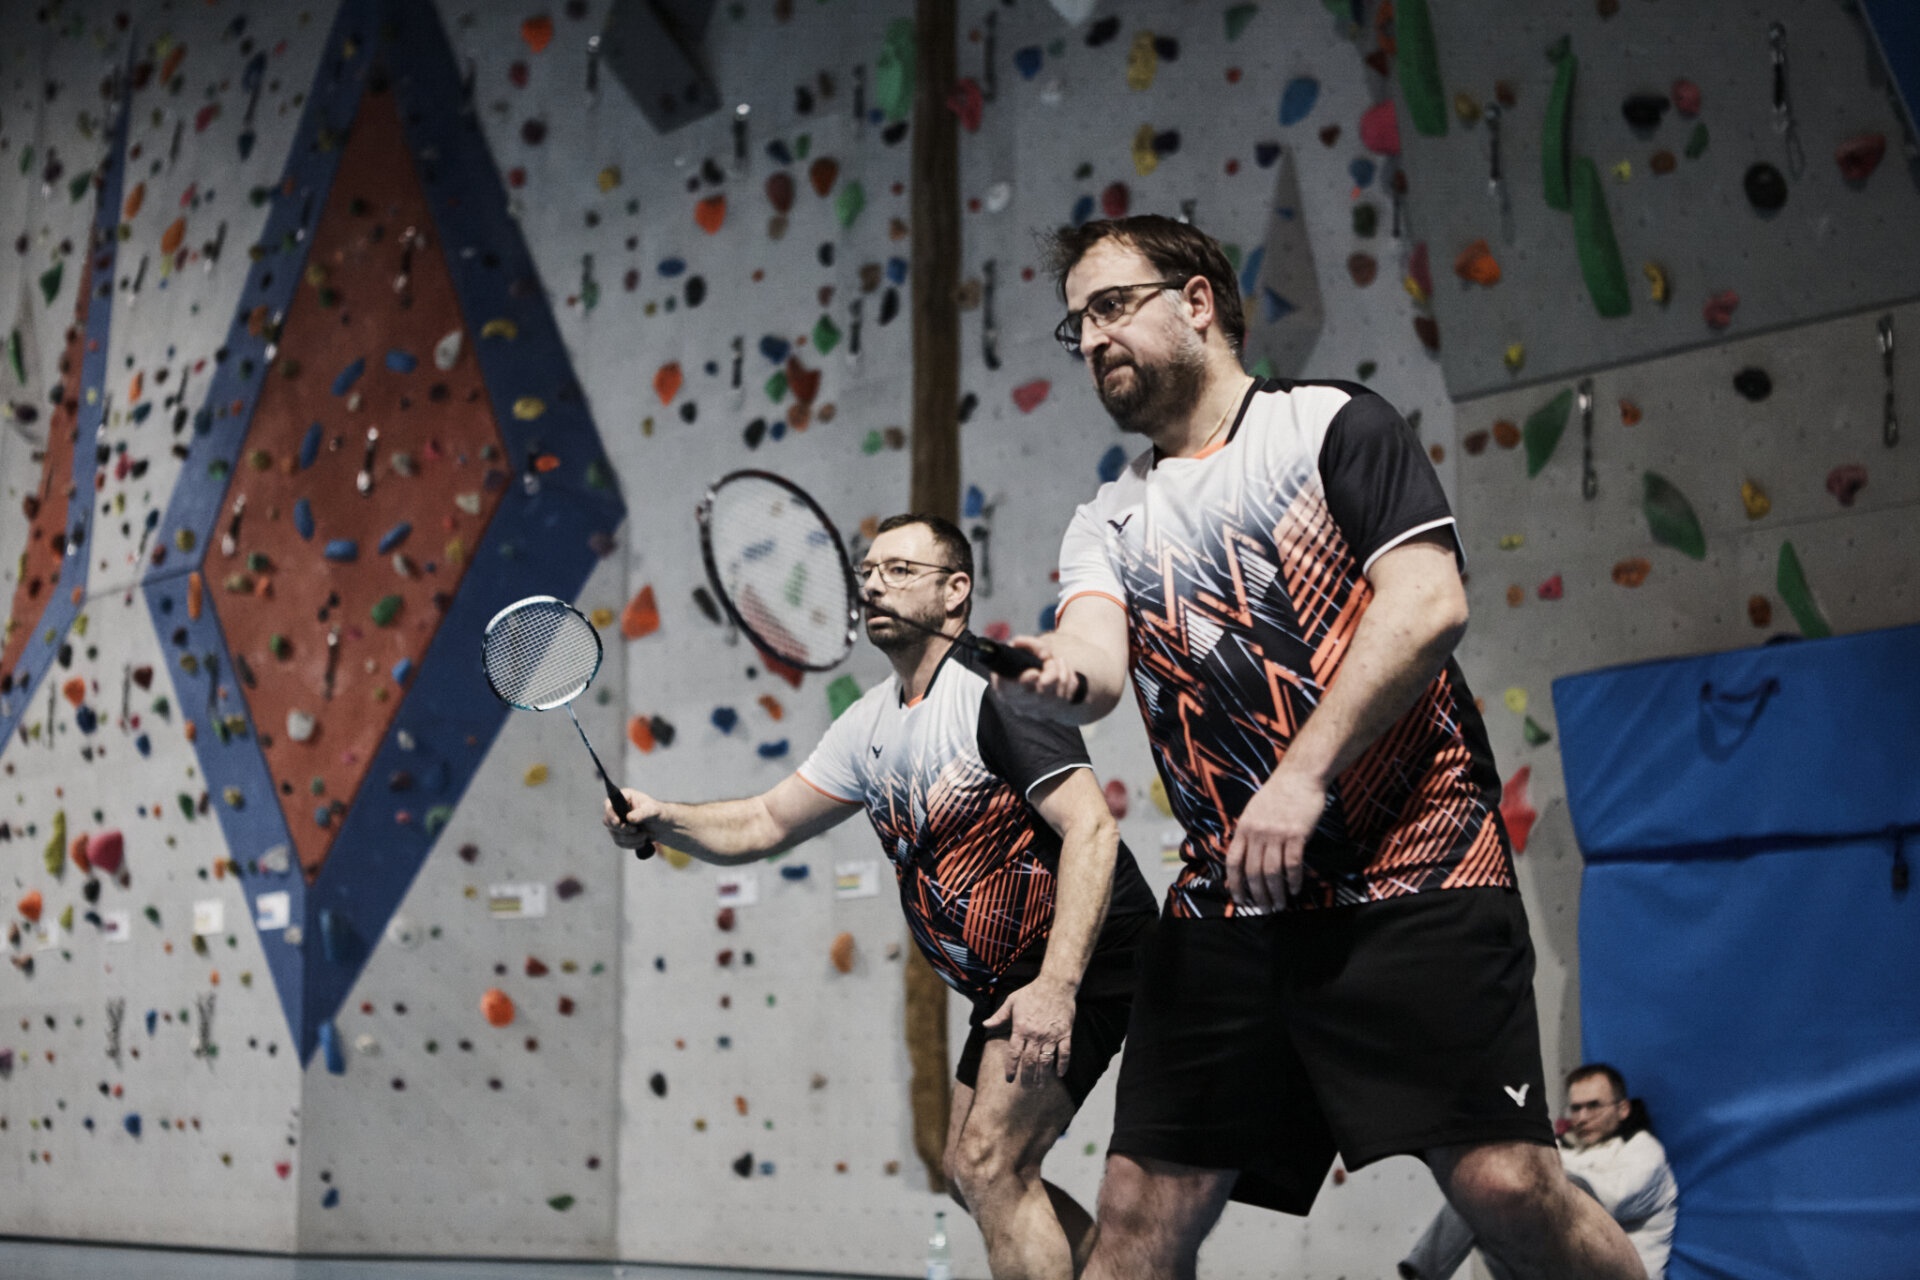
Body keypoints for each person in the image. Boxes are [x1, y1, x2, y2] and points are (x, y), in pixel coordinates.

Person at [993, 213, 1648, 1280]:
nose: (1093, 336)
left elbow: (1428, 603)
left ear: (1196, 301)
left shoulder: (1331, 426)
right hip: (1233, 904)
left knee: (1506, 1187)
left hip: (1417, 867)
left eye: (1111, 305)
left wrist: (1301, 776)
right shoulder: (1107, 520)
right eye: (1078, 324)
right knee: (1137, 1219)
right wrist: (1055, 669)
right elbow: (1097, 660)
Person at [605, 513, 1159, 1280]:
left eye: (900, 570)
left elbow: (1092, 829)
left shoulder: (995, 695)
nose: (873, 585)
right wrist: (663, 817)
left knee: (993, 1164)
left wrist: (1058, 986)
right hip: (1010, 976)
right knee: (968, 1172)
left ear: (956, 591)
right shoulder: (867, 723)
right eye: (867, 572)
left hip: (1085, 952)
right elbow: (765, 821)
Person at [1401, 1063, 1678, 1280]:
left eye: (1593, 1106)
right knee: (1479, 1191)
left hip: (1616, 1271)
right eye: (1576, 1108)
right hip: (1557, 1265)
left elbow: (1601, 1205)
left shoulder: (1644, 1152)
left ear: (1623, 1109)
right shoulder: (1564, 1149)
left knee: (1548, 1188)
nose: (1582, 1118)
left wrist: (1534, 1184)